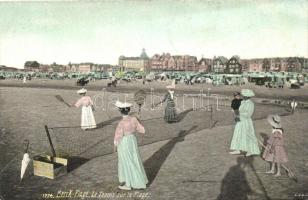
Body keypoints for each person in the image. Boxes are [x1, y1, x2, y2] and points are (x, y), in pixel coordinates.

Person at [114, 100, 148, 190]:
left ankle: (128, 184)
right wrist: (138, 120)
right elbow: (142, 130)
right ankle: (138, 181)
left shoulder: (121, 123)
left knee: (126, 161)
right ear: (128, 110)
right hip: (132, 140)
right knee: (134, 159)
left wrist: (115, 146)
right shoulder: (134, 119)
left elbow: (118, 136)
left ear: (120, 111)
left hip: (124, 142)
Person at [230, 89, 260, 156]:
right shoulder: (243, 102)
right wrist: (236, 114)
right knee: (237, 133)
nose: (243, 97)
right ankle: (237, 149)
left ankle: (251, 150)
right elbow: (239, 110)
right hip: (240, 120)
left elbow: (248, 114)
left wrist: (238, 112)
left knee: (248, 135)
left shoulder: (250, 104)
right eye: (243, 96)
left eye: (244, 96)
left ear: (248, 96)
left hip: (246, 121)